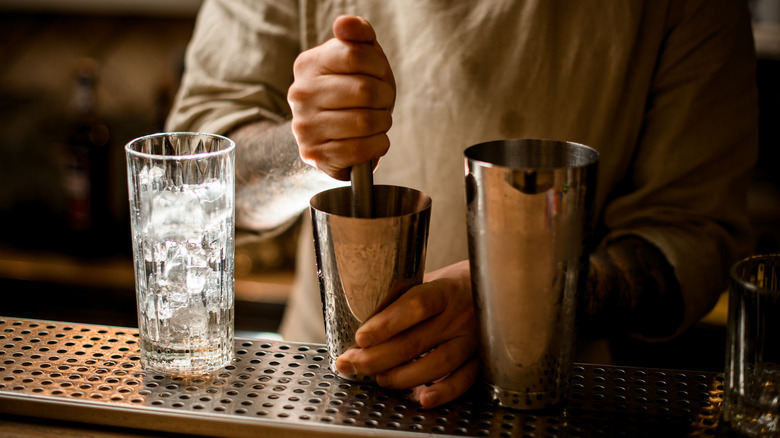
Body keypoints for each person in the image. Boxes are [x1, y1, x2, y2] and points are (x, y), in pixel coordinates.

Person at [166, 1, 759, 408]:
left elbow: (692, 234)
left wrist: (517, 304)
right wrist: (306, 151)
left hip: (552, 401)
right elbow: (191, 181)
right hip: (323, 390)